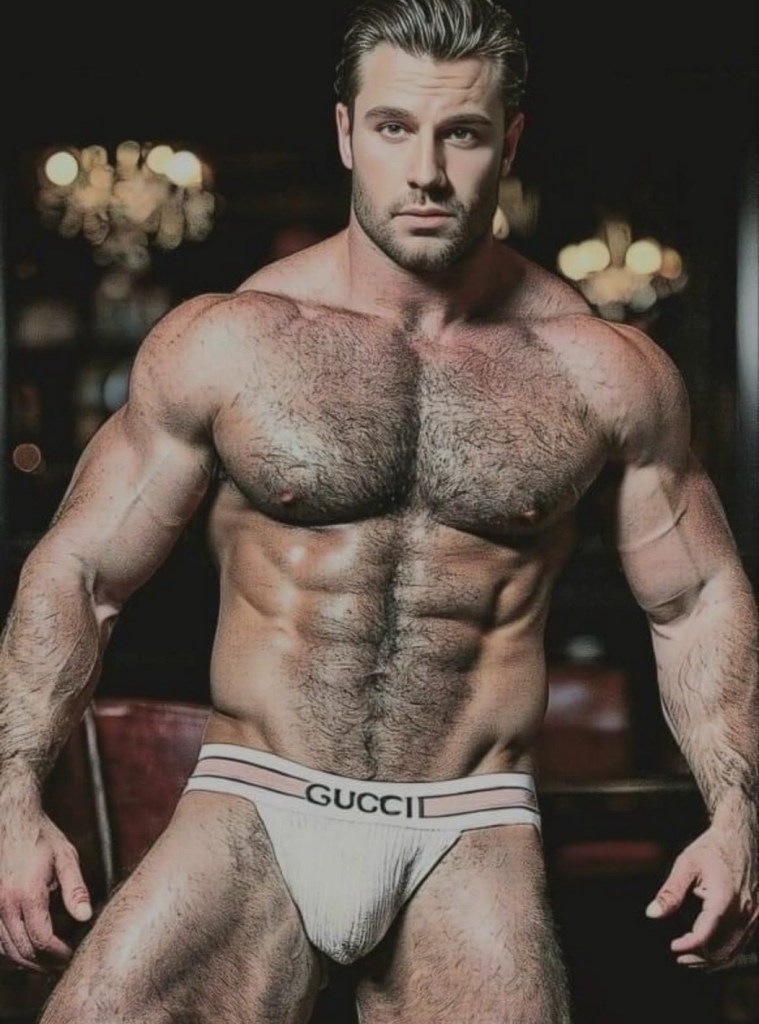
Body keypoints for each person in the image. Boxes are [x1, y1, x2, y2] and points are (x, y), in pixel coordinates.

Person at [1, 0, 757, 1020]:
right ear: (347, 133)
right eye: (395, 127)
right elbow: (81, 571)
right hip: (256, 799)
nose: (427, 171)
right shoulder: (232, 342)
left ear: (509, 144)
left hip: (471, 820)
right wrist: (13, 799)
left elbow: (697, 600)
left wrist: (738, 812)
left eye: (463, 133)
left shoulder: (603, 371)